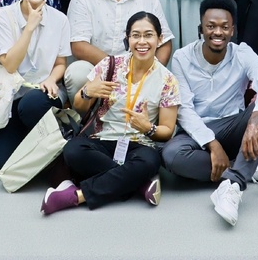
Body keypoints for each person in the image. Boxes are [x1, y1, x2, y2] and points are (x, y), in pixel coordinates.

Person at [42, 12, 179, 214]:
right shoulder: (110, 65)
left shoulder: (167, 80)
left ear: (159, 39)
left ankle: (75, 196)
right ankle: (137, 183)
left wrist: (148, 128)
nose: (142, 41)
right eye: (136, 35)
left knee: (150, 161)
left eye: (148, 35)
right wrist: (87, 93)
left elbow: (167, 130)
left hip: (139, 145)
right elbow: (79, 107)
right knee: (73, 150)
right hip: (102, 140)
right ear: (127, 38)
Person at [162, 0, 258, 226]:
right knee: (171, 155)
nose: (218, 32)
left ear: (232, 30)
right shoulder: (182, 57)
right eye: (211, 26)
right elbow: (184, 110)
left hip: (233, 126)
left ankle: (234, 184)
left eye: (225, 27)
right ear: (200, 29)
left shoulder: (242, 53)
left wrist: (254, 120)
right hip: (197, 131)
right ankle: (247, 166)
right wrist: (212, 144)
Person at [0, 0, 70, 174]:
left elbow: (61, 63)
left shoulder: (60, 19)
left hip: (44, 93)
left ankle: (53, 142)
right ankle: (30, 138)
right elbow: (10, 65)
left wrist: (51, 79)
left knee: (31, 105)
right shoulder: (3, 17)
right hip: (11, 95)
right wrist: (29, 27)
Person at [65, 0, 174, 98]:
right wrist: (118, 69)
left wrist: (150, 72)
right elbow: (78, 44)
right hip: (97, 71)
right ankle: (84, 114)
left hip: (137, 73)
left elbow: (164, 43)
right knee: (77, 72)